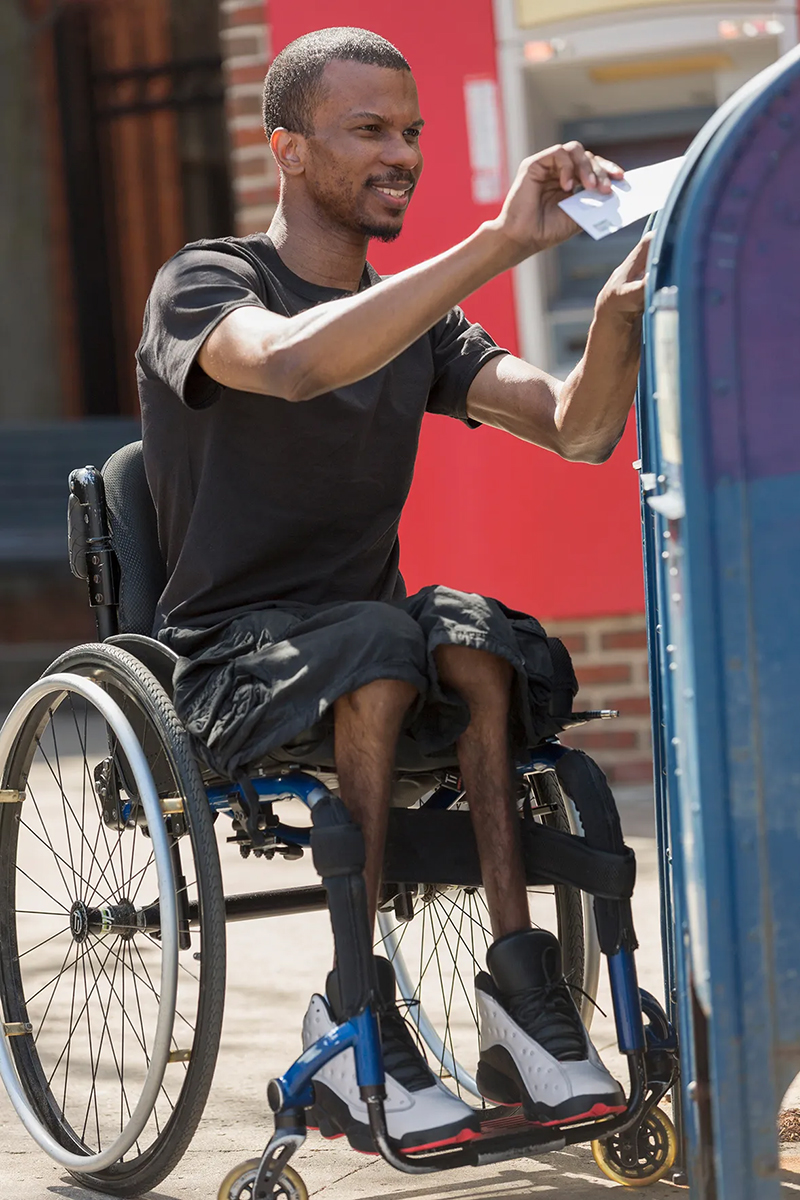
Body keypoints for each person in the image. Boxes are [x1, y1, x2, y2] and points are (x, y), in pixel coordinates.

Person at [137, 26, 647, 1154]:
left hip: (371, 651)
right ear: (286, 148)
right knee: (377, 637)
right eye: (369, 129)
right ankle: (350, 1002)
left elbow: (577, 426)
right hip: (230, 660)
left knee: (473, 634)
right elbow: (292, 362)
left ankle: (520, 993)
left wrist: (614, 307)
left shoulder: (420, 323)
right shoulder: (206, 283)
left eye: (411, 131)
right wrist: (495, 242)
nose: (402, 152)